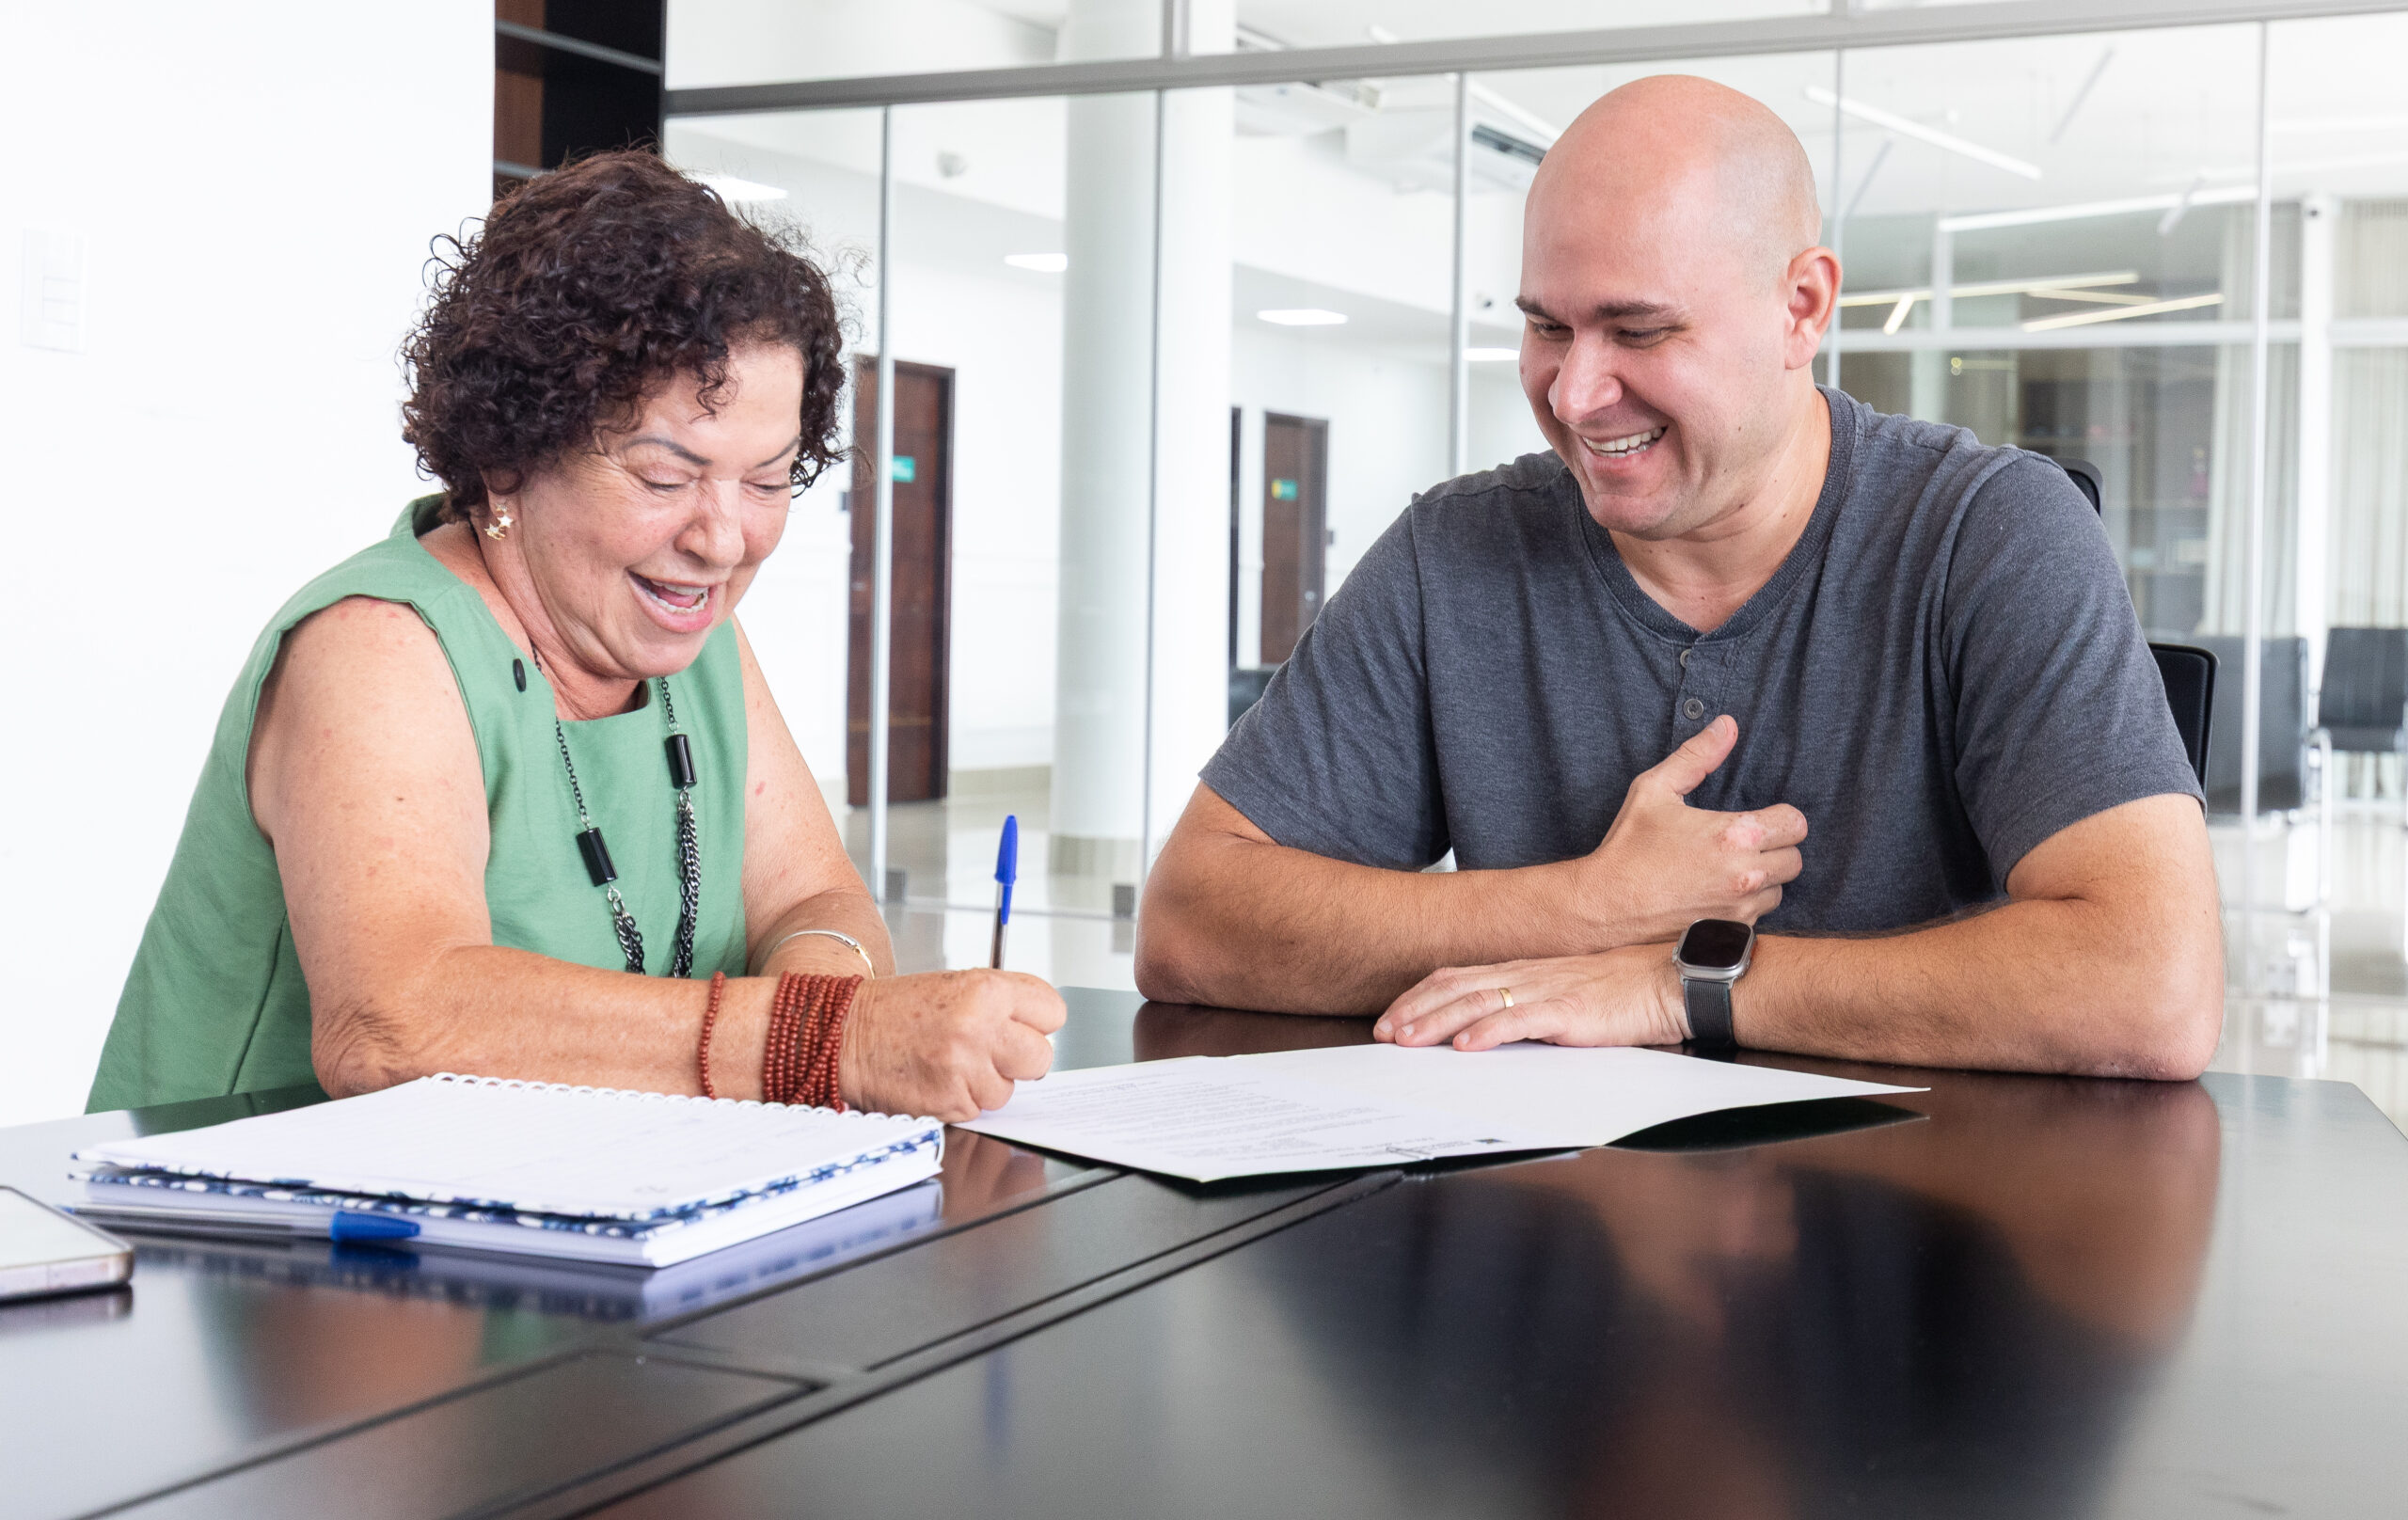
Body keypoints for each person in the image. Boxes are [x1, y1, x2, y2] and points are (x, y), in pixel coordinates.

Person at [1136, 77, 2223, 1080]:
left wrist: (1679, 983)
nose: (1572, 394)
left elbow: (2151, 986)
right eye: (1543, 326)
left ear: (1801, 308)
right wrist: (1584, 907)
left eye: (1639, 329)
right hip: (1540, 1226)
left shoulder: (1988, 534)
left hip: (1909, 1231)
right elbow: (1191, 926)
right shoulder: (1454, 553)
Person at [90, 150, 1062, 1117]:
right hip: (248, 1237)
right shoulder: (379, 647)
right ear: (508, 458)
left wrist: (825, 1002)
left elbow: (816, 903)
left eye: (766, 481)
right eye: (664, 478)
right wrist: (820, 1044)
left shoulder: (696, 640)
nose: (722, 537)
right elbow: (394, 1025)